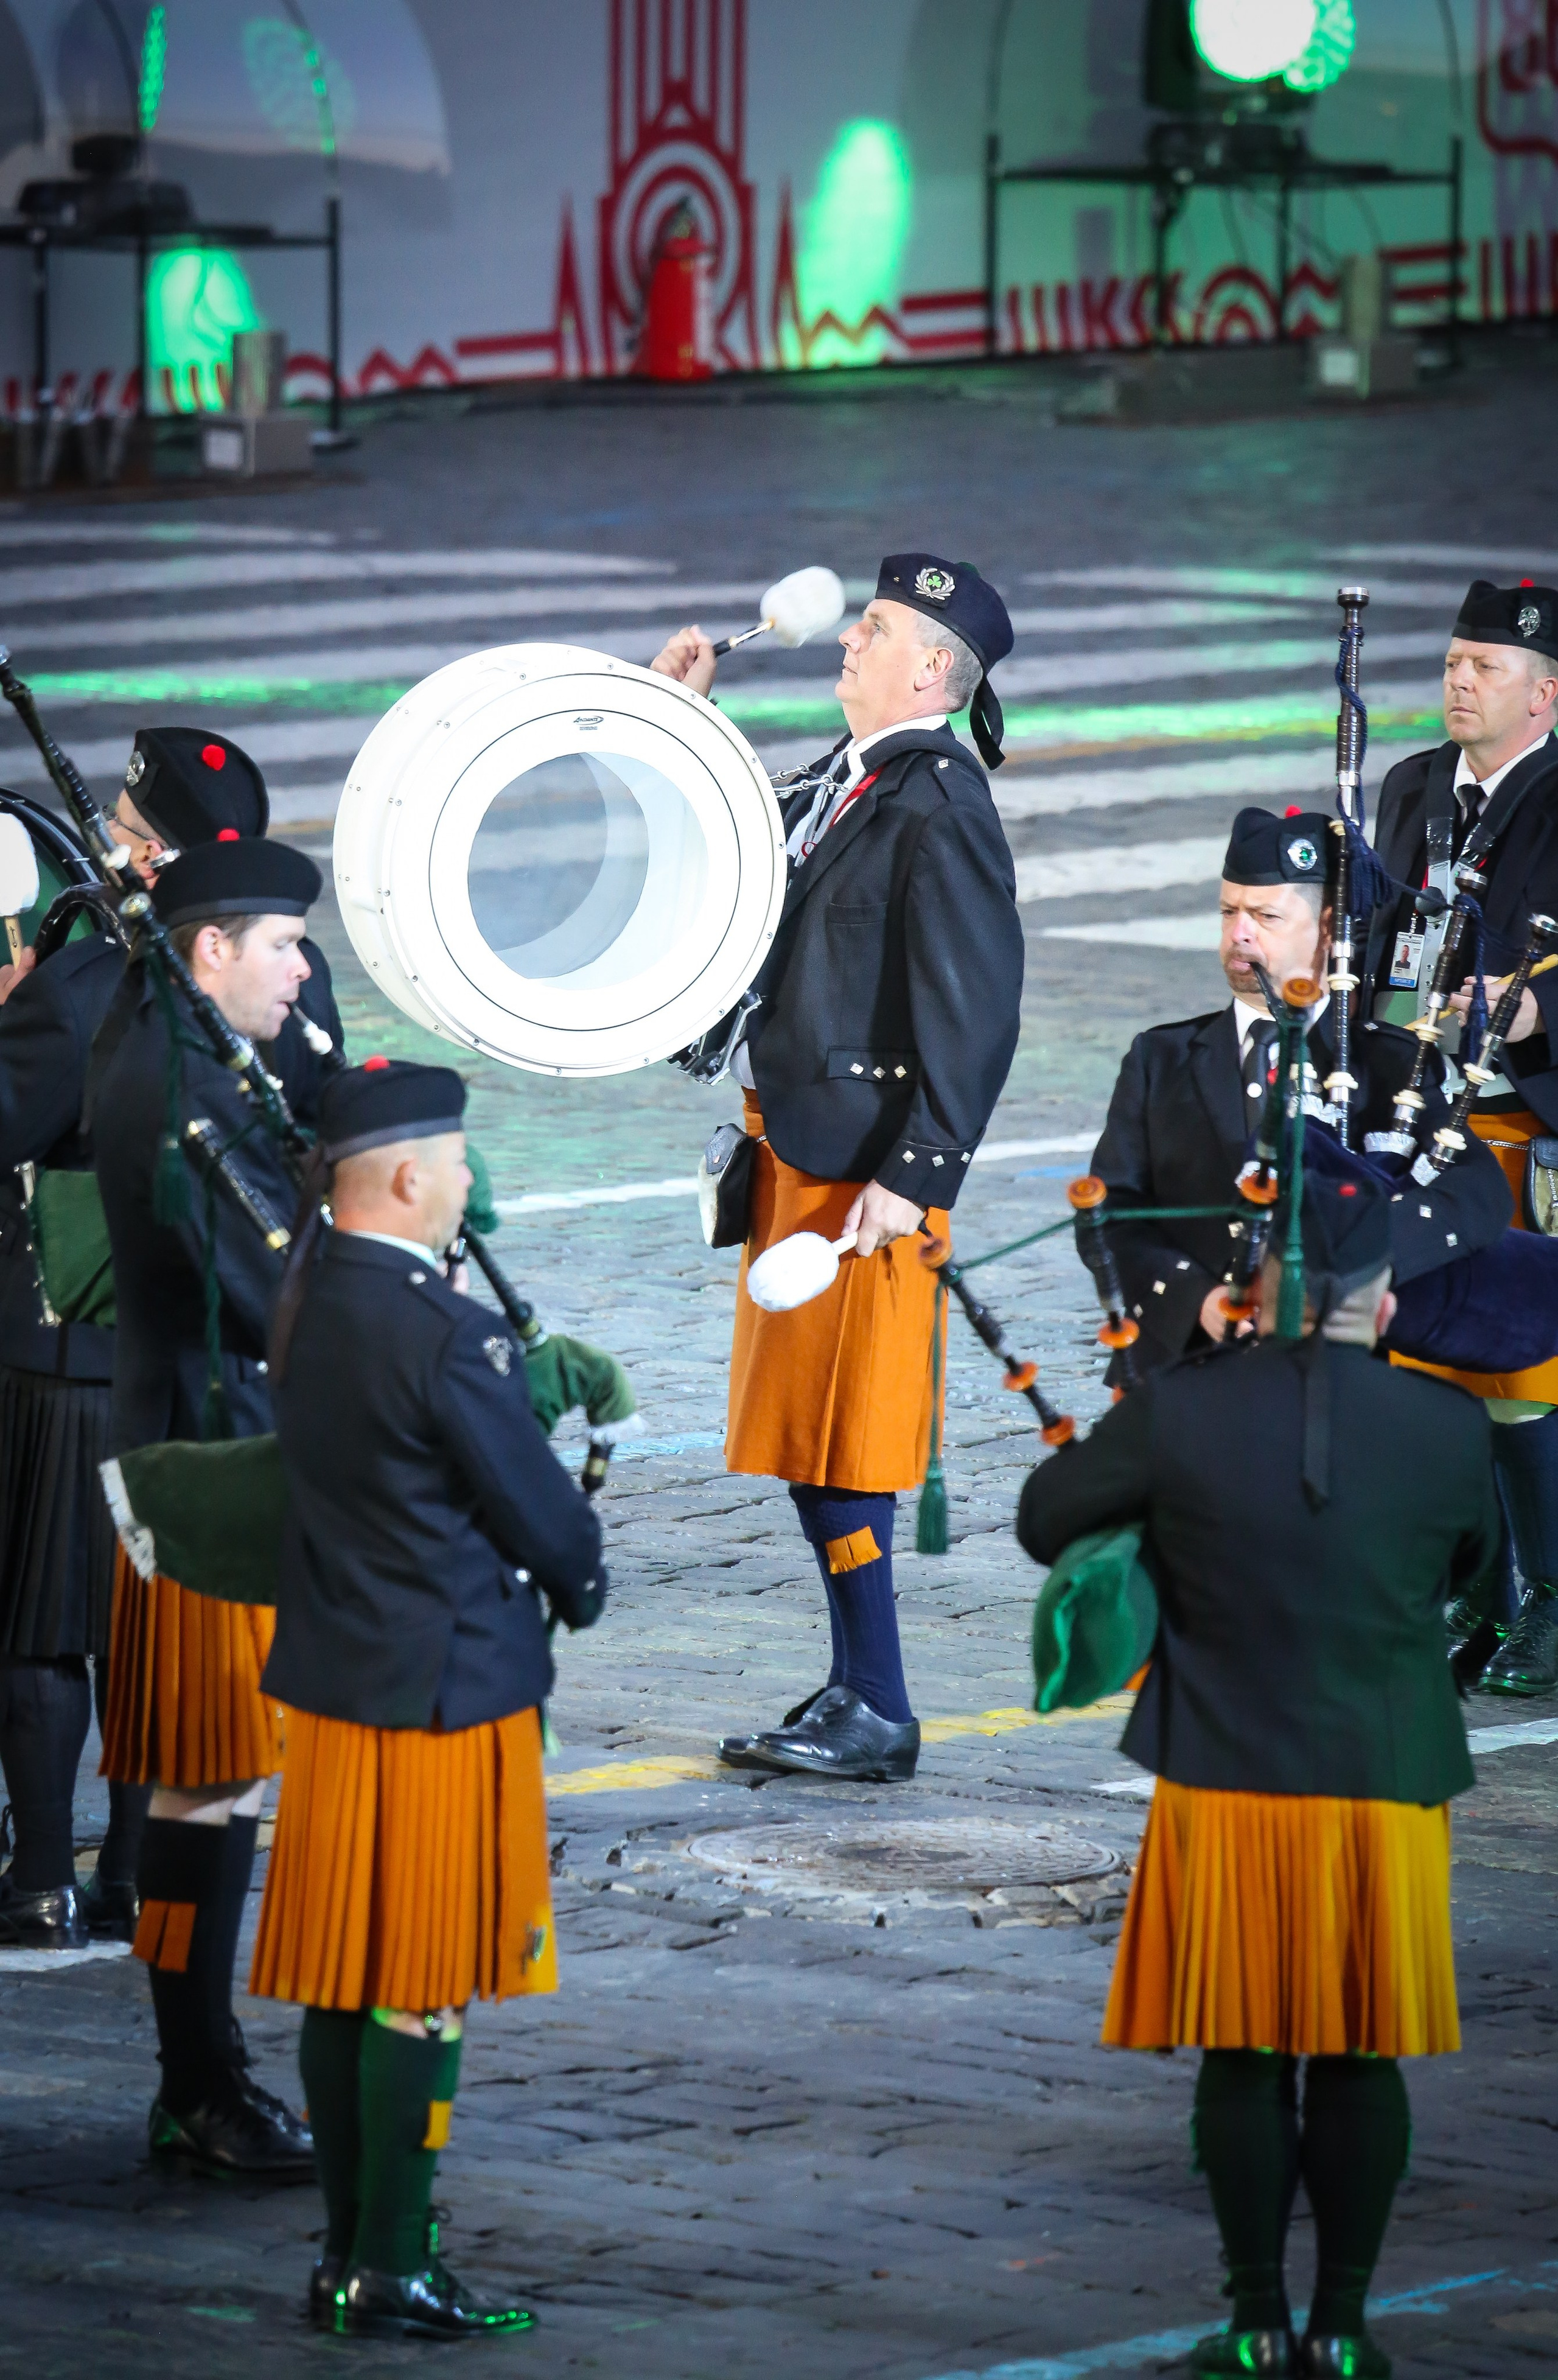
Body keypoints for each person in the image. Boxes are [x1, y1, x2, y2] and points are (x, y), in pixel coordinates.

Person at [1018, 1172, 1498, 2379]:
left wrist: (1187, 1374)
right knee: (1356, 2049)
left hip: (1221, 1766)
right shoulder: (1446, 1425)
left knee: (1240, 2049)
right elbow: (1473, 1573)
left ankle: (1247, 2322)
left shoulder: (1180, 1407)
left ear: (1256, 1287)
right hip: (1379, 1773)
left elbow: (1045, 1514)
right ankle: (1338, 2327)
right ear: (1381, 1305)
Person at [652, 554, 1024, 1782]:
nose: (846, 644)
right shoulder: (856, 779)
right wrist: (689, 723)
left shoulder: (940, 803)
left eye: (871, 629)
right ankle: (859, 1685)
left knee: (843, 1444)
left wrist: (917, 1175)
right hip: (800, 1148)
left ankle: (879, 1700)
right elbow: (752, 858)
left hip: (865, 1172)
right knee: (809, 1440)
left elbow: (974, 1009)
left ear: (930, 667)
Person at [250, 1059, 607, 2339]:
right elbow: (538, 1512)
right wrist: (582, 1571)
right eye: (456, 1162)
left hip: (339, 1683)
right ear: (411, 1178)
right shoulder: (446, 1328)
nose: (467, 1179)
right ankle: (395, 2257)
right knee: (422, 1980)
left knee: (341, 1973)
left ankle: (347, 2251)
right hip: (446, 1688)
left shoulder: (312, 1295)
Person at [0, 728, 340, 1952]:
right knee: (158, 1629)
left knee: (44, 1626)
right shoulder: (286, 978)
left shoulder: (88, 979)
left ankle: (40, 1872)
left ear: (147, 853)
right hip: (205, 1362)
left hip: (68, 1350)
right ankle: (139, 1867)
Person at [89, 835, 321, 2178]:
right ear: (209, 951)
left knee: (210, 1788)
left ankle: (202, 2065)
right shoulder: (184, 1086)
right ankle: (198, 2074)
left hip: (204, 1452)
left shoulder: (183, 1042)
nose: (303, 965)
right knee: (201, 1789)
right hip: (205, 1467)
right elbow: (265, 1286)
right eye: (281, 942)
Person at [1088, 805, 1511, 1382]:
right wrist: (1200, 1303)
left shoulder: (1387, 1063)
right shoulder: (1159, 1059)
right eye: (1228, 912)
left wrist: (1352, 1276)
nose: (1239, 933)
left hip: (1338, 1379)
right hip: (1180, 1373)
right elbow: (1112, 1214)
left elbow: (1474, 1195)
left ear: (1330, 930)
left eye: (1265, 916)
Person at [1364, 578, 1558, 1693]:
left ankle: (1551, 1599)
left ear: (1543, 695)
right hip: (1421, 1116)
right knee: (1430, 1361)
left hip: (1527, 1123)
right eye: (1452, 661)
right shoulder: (1412, 788)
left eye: (1484, 668)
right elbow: (1380, 929)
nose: (1458, 680)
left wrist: (1534, 1011)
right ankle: (1480, 1592)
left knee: (1525, 1376)